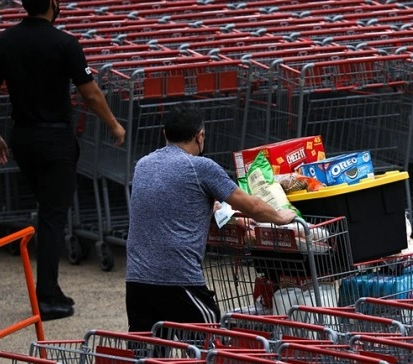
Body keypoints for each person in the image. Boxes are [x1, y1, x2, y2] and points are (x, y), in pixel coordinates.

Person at [0, 0, 126, 321]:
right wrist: (113, 124)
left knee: (48, 211)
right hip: (55, 140)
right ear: (53, 6)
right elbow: (90, 93)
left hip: (23, 137)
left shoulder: (3, 41)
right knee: (52, 216)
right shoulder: (64, 43)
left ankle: (51, 289)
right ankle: (46, 295)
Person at [125, 102, 297, 333]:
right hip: (178, 279)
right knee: (209, 348)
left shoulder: (142, 166)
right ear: (200, 136)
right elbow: (252, 205)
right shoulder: (201, 167)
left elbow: (168, 202)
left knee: (147, 357)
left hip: (137, 281)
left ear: (164, 133)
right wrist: (280, 216)